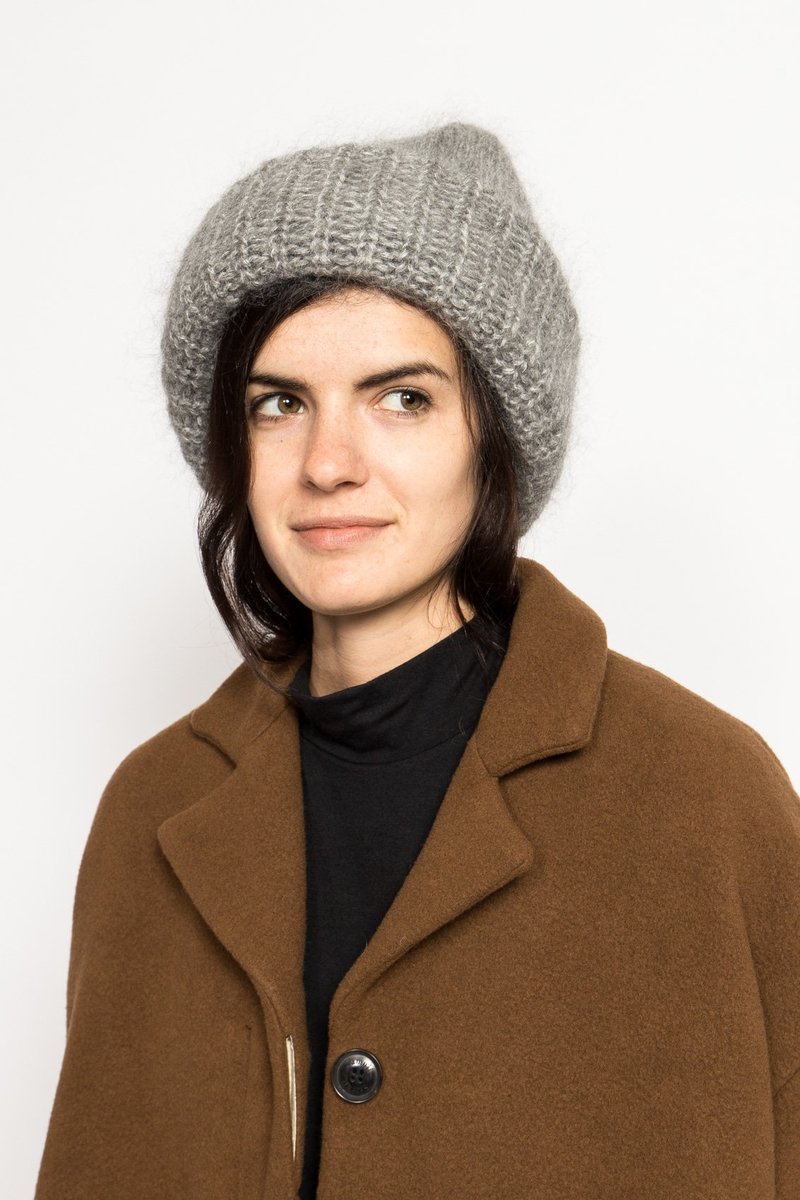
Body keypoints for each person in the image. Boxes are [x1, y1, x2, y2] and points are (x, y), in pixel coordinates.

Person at [34, 121, 799, 1200]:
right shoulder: (152, 810)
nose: (328, 464)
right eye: (279, 403)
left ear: (492, 436)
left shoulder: (704, 797)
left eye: (402, 398)